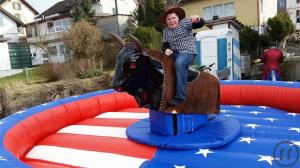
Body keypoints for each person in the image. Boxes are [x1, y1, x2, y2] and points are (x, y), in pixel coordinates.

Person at [159, 5, 205, 106]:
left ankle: (180, 96)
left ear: (178, 18)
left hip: (188, 52)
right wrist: (166, 49)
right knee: (160, 64)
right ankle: (163, 90)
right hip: (175, 53)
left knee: (179, 64)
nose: (171, 21)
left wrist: (197, 19)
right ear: (166, 21)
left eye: (173, 18)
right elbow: (165, 45)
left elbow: (200, 23)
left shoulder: (184, 23)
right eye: (169, 19)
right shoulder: (166, 31)